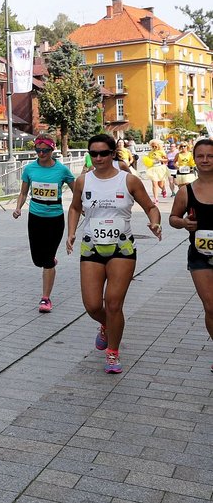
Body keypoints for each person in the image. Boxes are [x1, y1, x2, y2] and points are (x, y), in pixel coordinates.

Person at [66, 134, 162, 374]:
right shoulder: (83, 181)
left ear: (112, 154)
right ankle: (106, 326)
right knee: (91, 305)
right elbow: (75, 207)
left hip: (122, 248)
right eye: (93, 153)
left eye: (103, 153)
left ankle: (113, 351)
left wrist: (155, 222)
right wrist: (70, 233)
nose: (98, 158)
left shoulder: (128, 180)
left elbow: (150, 207)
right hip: (92, 246)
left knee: (114, 304)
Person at [12, 134, 75, 313]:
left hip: (54, 218)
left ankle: (45, 298)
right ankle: (49, 260)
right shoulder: (30, 169)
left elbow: (76, 190)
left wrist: (80, 208)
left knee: (46, 261)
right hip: (35, 217)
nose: (41, 154)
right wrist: (18, 208)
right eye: (38, 150)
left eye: (45, 150)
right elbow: (23, 193)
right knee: (37, 260)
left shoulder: (62, 170)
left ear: (52, 149)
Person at [170, 138, 213, 372]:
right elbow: (173, 218)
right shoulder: (186, 191)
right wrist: (184, 223)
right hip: (200, 256)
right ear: (194, 159)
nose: (205, 160)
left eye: (210, 156)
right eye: (201, 156)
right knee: (211, 307)